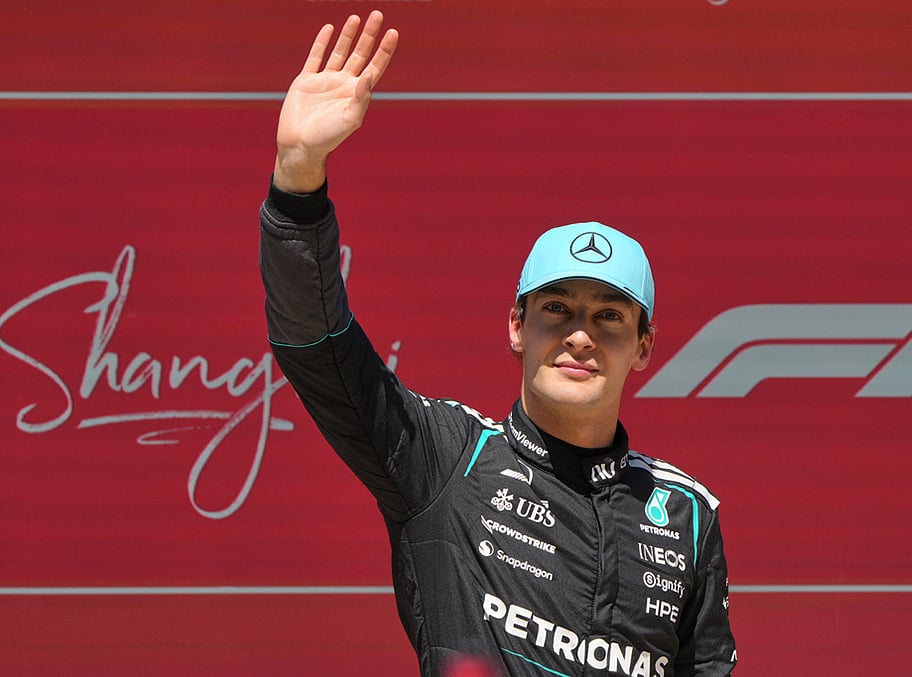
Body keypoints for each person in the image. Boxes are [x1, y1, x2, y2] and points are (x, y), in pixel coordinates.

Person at [259, 11, 737, 676]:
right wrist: (298, 174)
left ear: (645, 345)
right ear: (517, 326)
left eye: (609, 317)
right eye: (557, 308)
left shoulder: (686, 514)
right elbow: (316, 345)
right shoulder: (445, 461)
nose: (579, 335)